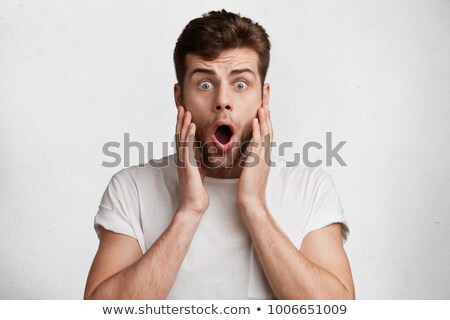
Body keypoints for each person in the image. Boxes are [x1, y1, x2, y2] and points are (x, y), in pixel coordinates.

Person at [84, 9, 355, 300]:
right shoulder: (131, 188)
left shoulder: (311, 188)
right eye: (205, 84)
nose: (223, 101)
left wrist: (254, 205)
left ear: (263, 97)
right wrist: (189, 211)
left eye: (240, 85)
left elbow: (338, 310)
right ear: (179, 97)